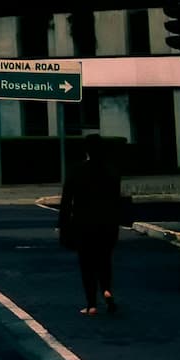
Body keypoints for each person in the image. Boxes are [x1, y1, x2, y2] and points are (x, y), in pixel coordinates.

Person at [59, 135, 122, 315]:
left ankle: (91, 304)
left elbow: (66, 202)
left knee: (87, 264)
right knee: (104, 260)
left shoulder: (76, 171)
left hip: (83, 223)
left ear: (86, 150)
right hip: (107, 224)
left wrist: (64, 226)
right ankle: (107, 289)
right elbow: (116, 201)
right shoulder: (111, 172)